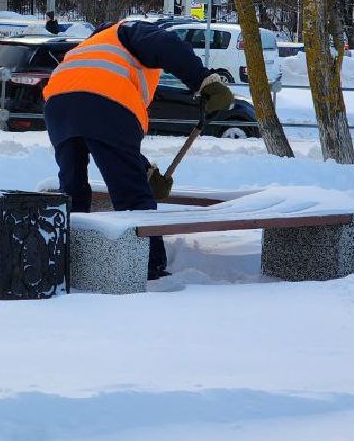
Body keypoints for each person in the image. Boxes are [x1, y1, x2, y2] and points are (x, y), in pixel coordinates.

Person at [42, 19, 234, 280]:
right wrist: (204, 81)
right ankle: (147, 267)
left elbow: (109, 143)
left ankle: (68, 260)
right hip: (105, 100)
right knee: (131, 194)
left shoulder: (87, 46)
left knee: (72, 186)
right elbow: (166, 43)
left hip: (57, 105)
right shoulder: (127, 30)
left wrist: (144, 171)